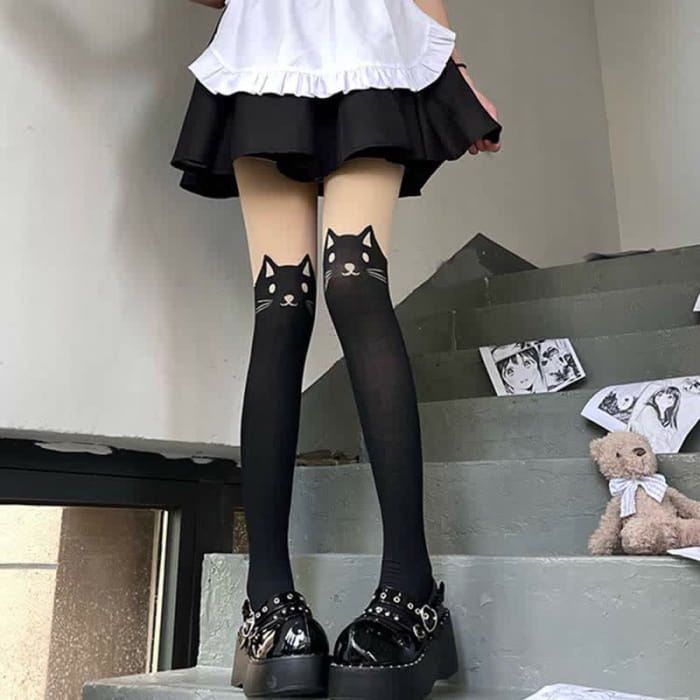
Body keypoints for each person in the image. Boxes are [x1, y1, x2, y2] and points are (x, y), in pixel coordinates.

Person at [171, 1, 502, 698]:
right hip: (268, 45)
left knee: (346, 287)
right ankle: (274, 598)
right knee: (283, 303)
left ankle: (400, 587)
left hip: (363, 38)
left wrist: (453, 62)